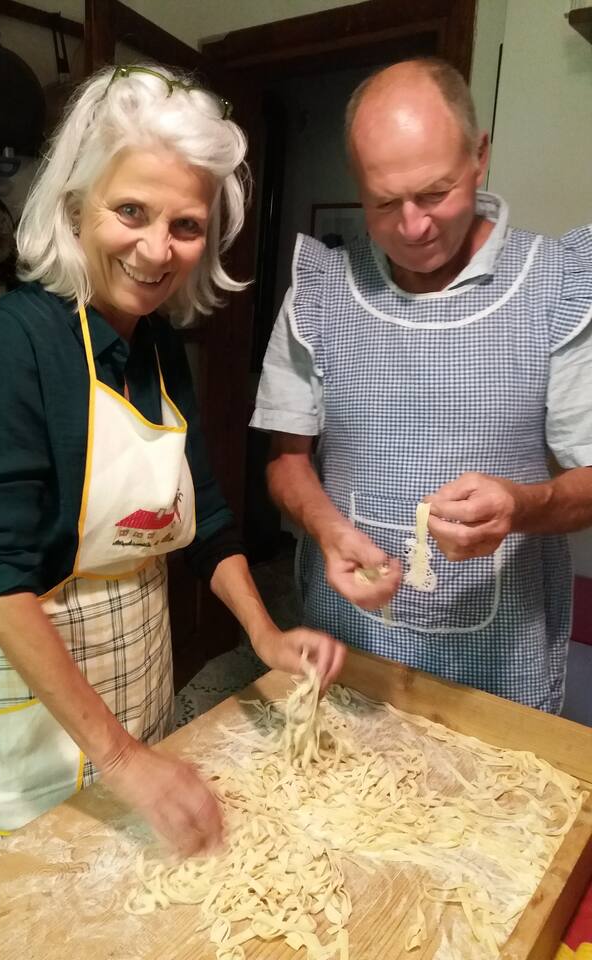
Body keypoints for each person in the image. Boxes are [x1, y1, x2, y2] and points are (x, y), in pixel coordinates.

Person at [0, 63, 346, 886]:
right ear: (74, 204)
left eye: (186, 225)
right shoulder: (10, 345)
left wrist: (264, 636)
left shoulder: (155, 347)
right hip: (24, 713)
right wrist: (119, 758)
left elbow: (207, 518)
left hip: (135, 682)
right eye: (131, 212)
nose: (157, 251)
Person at [251, 58, 592, 714]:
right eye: (384, 202)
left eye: (436, 193)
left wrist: (524, 505)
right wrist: (327, 529)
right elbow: (286, 461)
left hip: (499, 651)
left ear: (479, 156)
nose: (412, 227)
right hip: (349, 636)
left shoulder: (555, 285)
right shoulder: (321, 291)